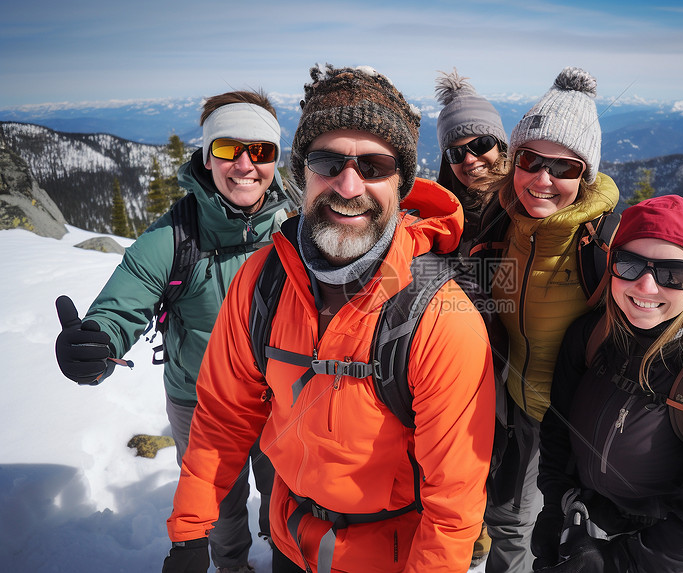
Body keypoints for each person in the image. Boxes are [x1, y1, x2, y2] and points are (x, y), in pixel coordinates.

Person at [161, 64, 495, 573]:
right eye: (327, 160)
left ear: (402, 183)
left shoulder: (440, 318)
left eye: (375, 167)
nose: (348, 183)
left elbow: (454, 501)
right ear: (303, 172)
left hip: (389, 557)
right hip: (290, 541)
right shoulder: (261, 281)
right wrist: (189, 532)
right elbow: (223, 419)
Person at [54, 89, 290, 573]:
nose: (245, 164)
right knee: (220, 501)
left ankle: (288, 556)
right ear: (207, 156)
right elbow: (126, 302)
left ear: (275, 158)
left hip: (280, 398)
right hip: (200, 399)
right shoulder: (172, 238)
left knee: (286, 488)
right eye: (228, 148)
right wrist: (96, 342)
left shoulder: (297, 227)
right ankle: (232, 566)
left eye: (260, 150)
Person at [534, 195, 683, 572]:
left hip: (668, 555)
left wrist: (616, 561)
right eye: (629, 264)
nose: (645, 287)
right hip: (585, 525)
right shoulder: (592, 336)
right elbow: (557, 429)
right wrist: (554, 505)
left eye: (672, 274)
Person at [472, 67, 620, 573]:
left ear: (587, 176)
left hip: (580, 428)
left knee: (578, 539)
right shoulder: (501, 221)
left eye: (564, 167)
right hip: (512, 410)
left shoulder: (606, 246)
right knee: (510, 524)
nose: (542, 178)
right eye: (531, 159)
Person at [434, 68, 508, 257]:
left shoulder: (530, 208)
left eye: (481, 144)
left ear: (501, 146)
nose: (469, 159)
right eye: (455, 153)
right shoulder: (437, 222)